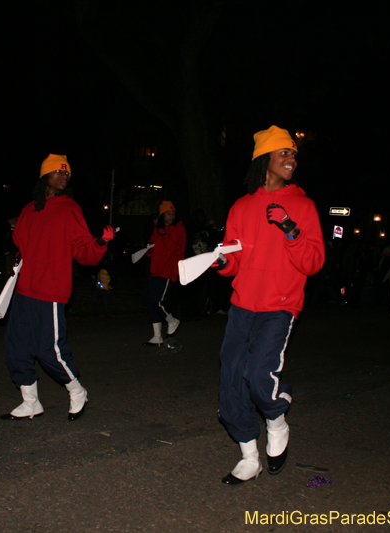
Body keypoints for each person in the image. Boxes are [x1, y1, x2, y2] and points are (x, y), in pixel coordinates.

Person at [212, 126, 324, 485]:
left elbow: (313, 262)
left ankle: (276, 419)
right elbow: (234, 261)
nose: (292, 159)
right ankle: (248, 456)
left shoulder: (303, 206)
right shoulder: (242, 207)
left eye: (293, 154)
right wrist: (221, 262)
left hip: (279, 305)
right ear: (265, 160)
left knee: (260, 376)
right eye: (284, 153)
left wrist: (290, 229)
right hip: (243, 304)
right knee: (231, 380)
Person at [1, 154, 114, 422]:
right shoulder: (29, 209)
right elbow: (22, 243)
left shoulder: (69, 209)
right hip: (25, 289)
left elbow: (83, 252)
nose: (64, 177)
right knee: (16, 346)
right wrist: (16, 227)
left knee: (49, 349)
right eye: (58, 172)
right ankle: (31, 402)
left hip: (51, 290)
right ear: (45, 178)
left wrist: (99, 243)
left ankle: (77, 390)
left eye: (67, 174)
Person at [144, 200, 186, 345]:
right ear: (162, 215)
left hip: (168, 270)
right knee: (151, 302)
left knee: (157, 301)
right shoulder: (158, 229)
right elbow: (153, 248)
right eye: (168, 213)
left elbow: (178, 249)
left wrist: (164, 235)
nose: (171, 216)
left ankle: (172, 321)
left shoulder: (178, 228)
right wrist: (148, 249)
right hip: (155, 270)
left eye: (173, 213)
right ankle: (157, 336)